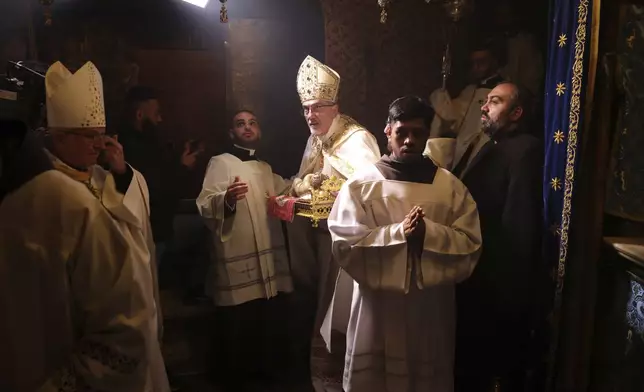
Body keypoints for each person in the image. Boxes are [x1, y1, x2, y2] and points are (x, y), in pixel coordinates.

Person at [0, 66, 168, 391]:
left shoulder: (106, 178)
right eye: (88, 136)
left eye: (101, 134)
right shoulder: (48, 190)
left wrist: (121, 174)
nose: (98, 144)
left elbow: (137, 234)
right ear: (58, 136)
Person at [327, 96, 482, 392]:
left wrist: (429, 234)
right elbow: (345, 242)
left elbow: (471, 243)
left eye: (418, 133)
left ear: (427, 135)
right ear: (388, 131)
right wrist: (398, 233)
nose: (410, 141)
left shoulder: (450, 188)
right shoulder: (362, 185)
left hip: (429, 304)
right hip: (378, 304)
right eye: (402, 132)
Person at [286, 55, 381, 386]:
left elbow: (371, 192)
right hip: (314, 237)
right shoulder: (314, 140)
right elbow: (301, 179)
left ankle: (338, 375)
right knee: (313, 303)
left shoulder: (358, 140)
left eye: (317, 107)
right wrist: (300, 190)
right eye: (306, 108)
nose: (311, 115)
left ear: (335, 106)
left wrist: (326, 196)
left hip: (346, 244)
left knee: (336, 312)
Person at [453, 82, 546, 391]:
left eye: (495, 101)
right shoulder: (490, 144)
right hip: (476, 269)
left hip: (496, 276)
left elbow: (519, 220)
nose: (484, 107)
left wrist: (509, 289)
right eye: (486, 101)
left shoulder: (525, 149)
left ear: (516, 112)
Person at [196, 109, 293, 392]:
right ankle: (234, 380)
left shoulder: (263, 167)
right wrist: (225, 199)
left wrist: (309, 181)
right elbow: (205, 203)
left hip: (266, 258)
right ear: (231, 133)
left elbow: (285, 189)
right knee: (238, 320)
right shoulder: (220, 162)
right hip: (237, 257)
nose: (247, 127)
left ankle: (264, 372)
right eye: (240, 124)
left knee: (264, 315)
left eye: (252, 123)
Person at [118, 86, 204, 266]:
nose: (160, 119)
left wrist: (181, 163)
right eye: (156, 113)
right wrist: (182, 168)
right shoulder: (131, 148)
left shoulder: (147, 144)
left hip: (160, 227)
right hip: (147, 231)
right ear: (140, 115)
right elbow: (156, 190)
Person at [429, 42, 505, 167]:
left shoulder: (503, 89)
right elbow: (453, 117)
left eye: (481, 62)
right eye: (473, 63)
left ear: (494, 62)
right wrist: (440, 98)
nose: (476, 67)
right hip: (462, 149)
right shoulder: (470, 90)